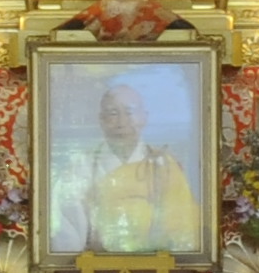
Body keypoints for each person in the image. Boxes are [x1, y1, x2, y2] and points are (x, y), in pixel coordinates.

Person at [70, 82, 203, 257]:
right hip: (95, 264)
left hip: (158, 264)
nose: (122, 122)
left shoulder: (164, 165)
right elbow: (69, 231)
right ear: (101, 119)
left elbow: (183, 229)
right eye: (113, 113)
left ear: (144, 118)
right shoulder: (83, 165)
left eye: (130, 112)